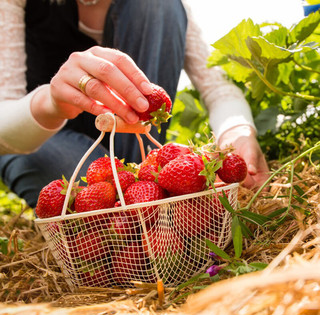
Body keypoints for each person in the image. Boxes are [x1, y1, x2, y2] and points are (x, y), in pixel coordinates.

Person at [0, 0, 269, 209]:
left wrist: (236, 133)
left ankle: (142, 191)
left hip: (132, 148)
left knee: (156, 4)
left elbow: (217, 87)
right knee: (94, 201)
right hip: (41, 136)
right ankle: (142, 204)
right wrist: (51, 102)